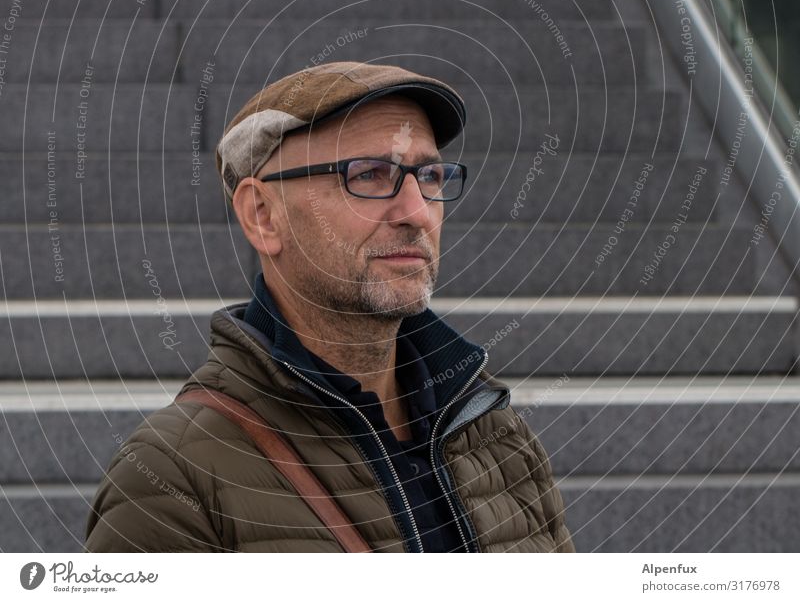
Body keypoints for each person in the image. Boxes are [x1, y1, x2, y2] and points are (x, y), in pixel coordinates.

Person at [85, 61, 575, 552]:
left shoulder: (494, 433)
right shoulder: (172, 477)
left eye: (428, 175)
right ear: (263, 217)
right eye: (366, 174)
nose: (416, 212)